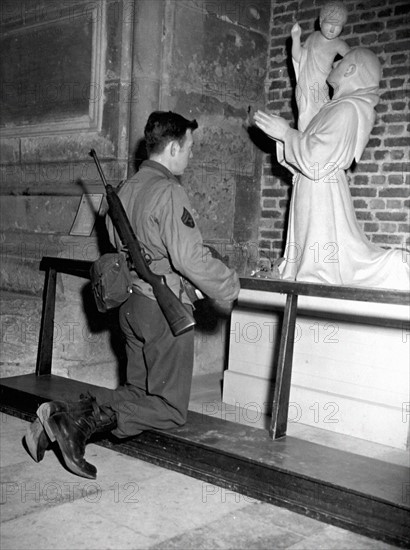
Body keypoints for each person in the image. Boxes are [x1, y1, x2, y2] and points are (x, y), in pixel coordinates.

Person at [25, 111, 240, 478]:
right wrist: (229, 285)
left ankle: (56, 415)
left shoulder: (124, 190)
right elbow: (188, 257)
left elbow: (126, 246)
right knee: (170, 409)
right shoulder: (169, 191)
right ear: (173, 147)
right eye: (188, 148)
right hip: (162, 313)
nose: (189, 156)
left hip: (131, 307)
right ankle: (76, 420)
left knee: (138, 392)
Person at [253, 48, 409, 290]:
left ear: (351, 70)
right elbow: (309, 152)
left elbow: (317, 159)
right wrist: (282, 137)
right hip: (313, 187)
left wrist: (285, 132)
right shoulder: (334, 108)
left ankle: (317, 281)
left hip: (321, 190)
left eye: (341, 61)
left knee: (319, 265)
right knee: (308, 256)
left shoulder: (347, 110)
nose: (334, 64)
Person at [291, 1, 350, 131]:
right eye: (329, 24)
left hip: (320, 89)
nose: (333, 29)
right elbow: (298, 57)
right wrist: (295, 38)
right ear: (321, 22)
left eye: (338, 26)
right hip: (305, 87)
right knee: (304, 124)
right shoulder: (312, 37)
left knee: (323, 123)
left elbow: (353, 62)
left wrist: (338, 67)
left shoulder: (339, 44)